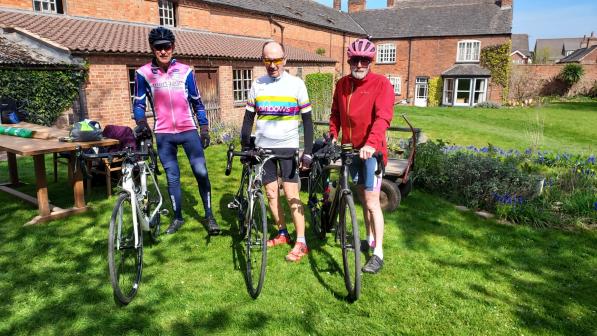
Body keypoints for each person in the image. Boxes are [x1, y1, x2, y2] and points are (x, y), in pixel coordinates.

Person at [132, 26, 221, 235]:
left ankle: (209, 216)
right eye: (158, 48)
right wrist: (142, 123)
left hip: (188, 130)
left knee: (201, 172)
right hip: (163, 134)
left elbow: (197, 103)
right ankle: (178, 217)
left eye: (167, 47)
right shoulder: (143, 74)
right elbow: (138, 104)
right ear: (152, 49)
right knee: (172, 177)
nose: (163, 52)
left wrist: (205, 128)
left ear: (173, 47)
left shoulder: (186, 71)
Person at [240, 41, 314, 262]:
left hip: (288, 148)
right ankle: (282, 233)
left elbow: (308, 122)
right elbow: (247, 119)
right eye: (267, 60)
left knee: (292, 195)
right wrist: (246, 148)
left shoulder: (297, 84)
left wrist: (307, 151)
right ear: (263, 60)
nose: (272, 65)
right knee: (271, 194)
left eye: (277, 60)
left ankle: (301, 241)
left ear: (285, 59)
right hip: (264, 149)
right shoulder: (257, 84)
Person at [329, 38, 394, 274]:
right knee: (359, 196)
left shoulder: (381, 84)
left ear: (370, 62)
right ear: (349, 61)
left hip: (372, 152)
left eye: (364, 60)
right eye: (355, 60)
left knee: (372, 202)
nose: (359, 64)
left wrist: (370, 144)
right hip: (350, 151)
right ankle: (367, 238)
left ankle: (378, 254)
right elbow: (335, 113)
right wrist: (333, 135)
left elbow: (383, 118)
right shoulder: (342, 85)